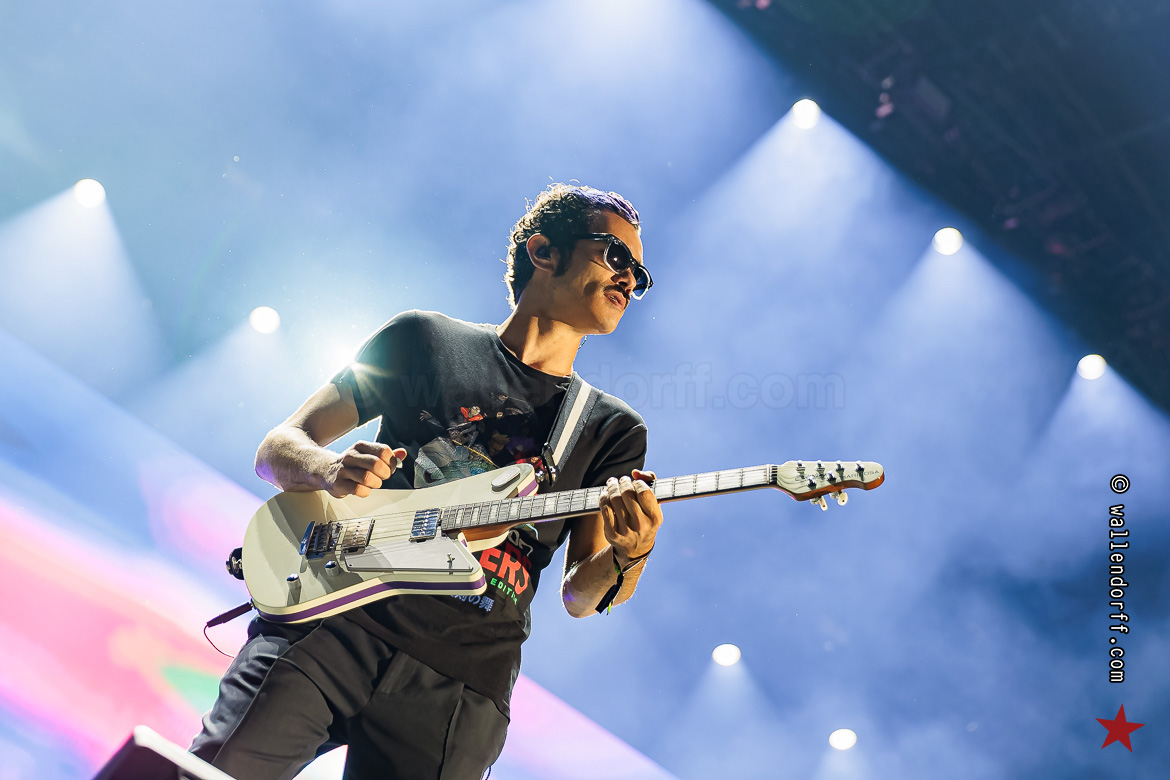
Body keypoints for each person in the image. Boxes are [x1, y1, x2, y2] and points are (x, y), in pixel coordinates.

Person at [189, 183, 664, 780]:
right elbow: (277, 448)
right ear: (544, 251)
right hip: (332, 622)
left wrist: (630, 554)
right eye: (616, 256)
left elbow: (579, 597)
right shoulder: (423, 339)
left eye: (640, 275)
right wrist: (330, 470)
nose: (629, 279)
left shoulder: (610, 429)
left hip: (458, 688)